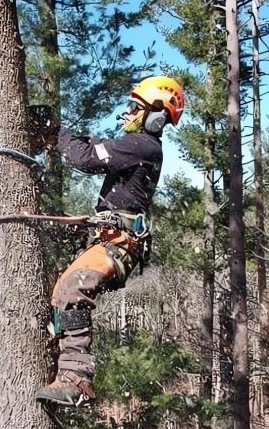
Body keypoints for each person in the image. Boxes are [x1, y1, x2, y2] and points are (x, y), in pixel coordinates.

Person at [35, 75, 185, 407]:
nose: (127, 112)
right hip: (111, 238)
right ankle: (57, 359)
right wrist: (64, 134)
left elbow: (86, 158)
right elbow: (96, 146)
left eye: (136, 107)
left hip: (120, 241)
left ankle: (76, 380)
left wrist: (57, 132)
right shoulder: (137, 147)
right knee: (60, 290)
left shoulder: (143, 145)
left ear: (157, 115)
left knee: (72, 289)